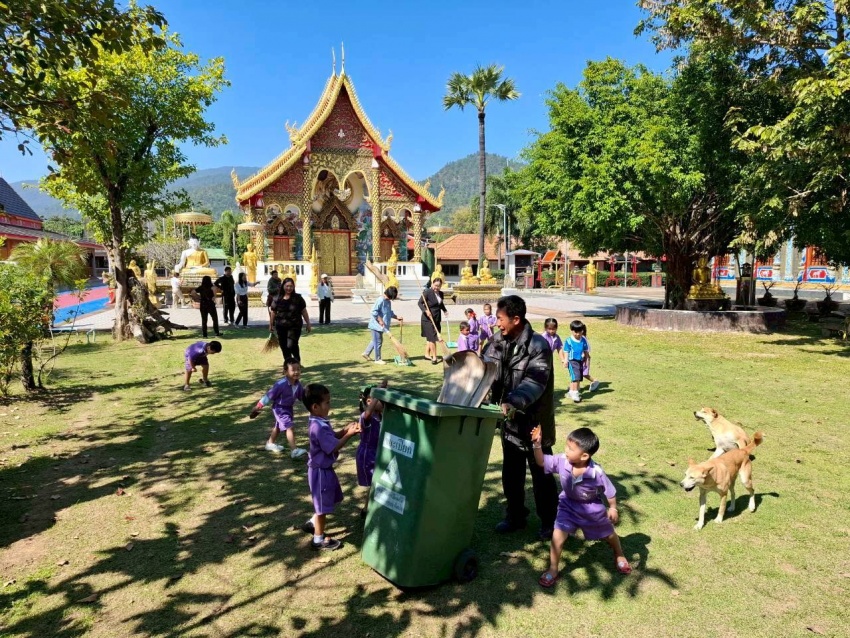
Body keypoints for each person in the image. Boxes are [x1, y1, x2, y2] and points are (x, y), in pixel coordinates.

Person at [482, 295, 558, 540]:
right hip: (510, 424)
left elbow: (535, 382)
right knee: (511, 474)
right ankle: (515, 516)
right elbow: (483, 371)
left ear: (516, 319)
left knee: (542, 476)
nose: (497, 323)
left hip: (535, 424)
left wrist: (513, 401)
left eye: (500, 318)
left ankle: (550, 521)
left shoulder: (538, 346)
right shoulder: (495, 342)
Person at [530, 425, 631, 588]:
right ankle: (553, 569)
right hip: (567, 505)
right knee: (557, 536)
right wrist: (537, 444)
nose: (566, 450)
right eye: (566, 446)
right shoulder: (562, 460)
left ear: (584, 455)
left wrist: (613, 508)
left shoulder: (596, 472)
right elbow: (541, 461)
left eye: (570, 449)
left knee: (608, 534)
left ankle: (619, 554)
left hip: (591, 509)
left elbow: (609, 491)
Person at [299, 383, 361, 551]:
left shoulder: (319, 421)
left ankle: (312, 523)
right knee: (322, 508)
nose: (329, 405)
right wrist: (349, 435)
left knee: (326, 500)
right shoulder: (318, 427)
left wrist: (344, 430)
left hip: (324, 470)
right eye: (327, 402)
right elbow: (333, 446)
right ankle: (318, 540)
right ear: (315, 407)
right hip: (320, 472)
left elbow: (332, 436)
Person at [248, 359, 307, 459]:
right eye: (293, 370)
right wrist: (258, 406)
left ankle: (270, 443)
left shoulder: (298, 384)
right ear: (285, 371)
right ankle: (294, 451)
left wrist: (311, 403)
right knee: (289, 427)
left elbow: (302, 397)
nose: (296, 372)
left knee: (278, 426)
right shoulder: (280, 385)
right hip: (279, 409)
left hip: (288, 408)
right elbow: (268, 396)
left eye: (298, 369)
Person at [356, 381, 387, 517]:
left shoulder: (380, 415)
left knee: (377, 482)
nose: (383, 402)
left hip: (377, 452)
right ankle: (369, 510)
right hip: (367, 455)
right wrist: (378, 392)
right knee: (375, 482)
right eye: (380, 400)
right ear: (370, 401)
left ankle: (366, 509)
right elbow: (367, 414)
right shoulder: (367, 417)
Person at [269, 277, 311, 363]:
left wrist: (308, 323)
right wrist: (271, 324)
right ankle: (288, 364)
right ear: (283, 286)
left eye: (291, 286)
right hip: (280, 326)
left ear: (294, 287)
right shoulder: (277, 298)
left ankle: (296, 361)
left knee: (291, 344)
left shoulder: (298, 298)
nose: (289, 288)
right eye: (287, 286)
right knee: (283, 345)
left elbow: (304, 311)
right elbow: (273, 311)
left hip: (294, 325)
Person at [362, 286, 401, 365]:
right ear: (388, 294)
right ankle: (377, 359)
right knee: (378, 342)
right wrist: (380, 320)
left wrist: (396, 317)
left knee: (375, 340)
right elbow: (373, 311)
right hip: (376, 325)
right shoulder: (380, 300)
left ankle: (366, 353)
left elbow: (389, 312)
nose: (390, 299)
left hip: (382, 326)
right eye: (390, 297)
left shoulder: (388, 301)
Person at [418, 277, 447, 364]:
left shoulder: (441, 294)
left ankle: (427, 354)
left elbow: (440, 304)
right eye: (435, 285)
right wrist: (426, 310)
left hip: (436, 318)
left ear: (441, 286)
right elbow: (419, 303)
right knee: (432, 338)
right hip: (427, 319)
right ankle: (434, 357)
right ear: (432, 284)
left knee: (431, 337)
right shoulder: (427, 292)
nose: (436, 287)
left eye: (438, 286)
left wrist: (445, 310)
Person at [564, 319, 589, 403]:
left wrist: (586, 358)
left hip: (580, 361)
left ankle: (571, 391)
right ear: (572, 330)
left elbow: (585, 350)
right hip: (572, 361)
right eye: (576, 332)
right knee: (576, 377)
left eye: (580, 332)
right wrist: (566, 360)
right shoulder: (569, 340)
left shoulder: (583, 340)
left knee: (576, 377)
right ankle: (575, 393)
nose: (578, 334)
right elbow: (566, 351)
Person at [580, 324, 601, 392]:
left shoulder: (583, 339)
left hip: (585, 359)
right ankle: (575, 386)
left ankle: (595, 381)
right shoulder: (579, 338)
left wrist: (585, 357)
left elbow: (587, 349)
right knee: (577, 372)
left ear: (582, 331)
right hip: (580, 359)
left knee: (584, 373)